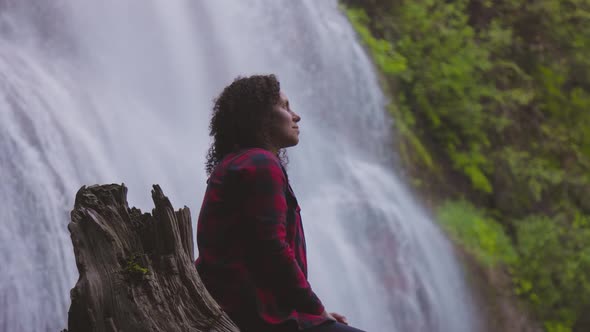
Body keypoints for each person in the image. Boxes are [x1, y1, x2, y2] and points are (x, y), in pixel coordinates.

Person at [195, 74, 366, 332]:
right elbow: (272, 249)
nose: (296, 116)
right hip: (258, 317)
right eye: (285, 107)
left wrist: (313, 313)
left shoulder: (239, 163)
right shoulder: (260, 165)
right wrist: (315, 309)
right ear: (260, 118)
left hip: (244, 308)